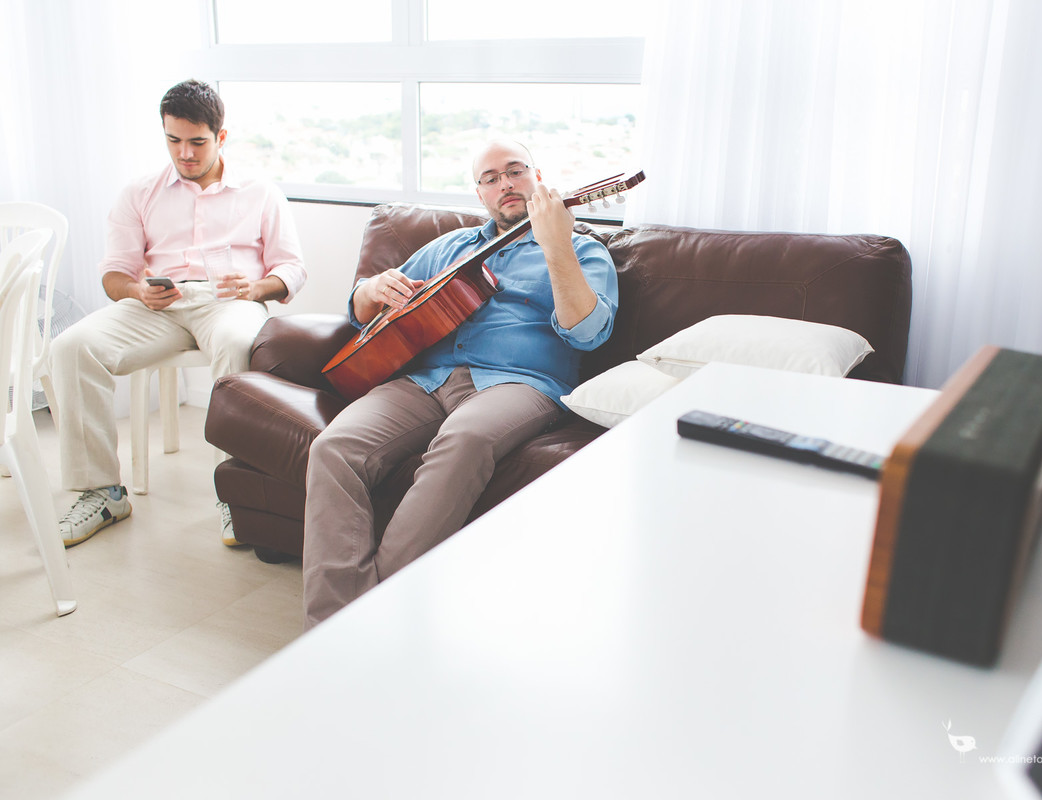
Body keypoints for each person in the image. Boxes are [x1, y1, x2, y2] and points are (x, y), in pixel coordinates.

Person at [302, 139, 618, 628]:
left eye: (515, 171)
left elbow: (589, 333)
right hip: (425, 380)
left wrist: (555, 244)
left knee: (464, 439)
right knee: (333, 448)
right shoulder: (450, 247)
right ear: (479, 194)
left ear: (537, 178)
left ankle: (372, 621)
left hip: (518, 383)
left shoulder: (581, 249)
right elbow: (361, 311)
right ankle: (333, 629)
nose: (505, 184)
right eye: (490, 178)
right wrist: (370, 289)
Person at [51, 79, 306, 548]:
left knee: (236, 343)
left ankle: (237, 495)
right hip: (158, 306)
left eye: (197, 142)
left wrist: (256, 287)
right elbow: (114, 273)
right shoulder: (139, 192)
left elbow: (292, 268)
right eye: (173, 140)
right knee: (70, 346)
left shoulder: (260, 193)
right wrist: (136, 290)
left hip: (230, 302)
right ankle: (103, 494)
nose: (184, 153)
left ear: (221, 136)